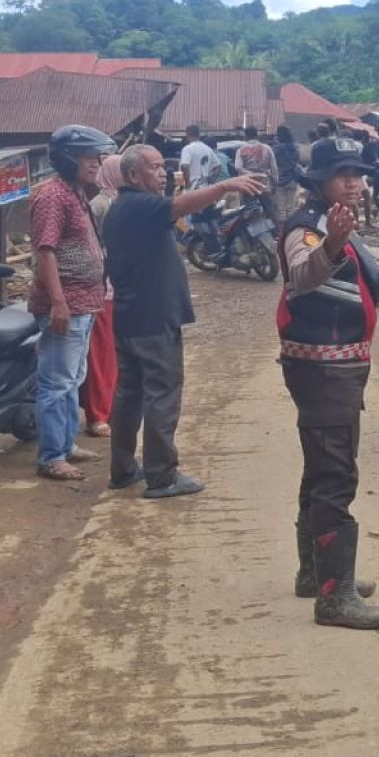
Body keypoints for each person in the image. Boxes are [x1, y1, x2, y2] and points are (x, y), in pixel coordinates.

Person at [277, 138, 379, 630]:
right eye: (343, 174)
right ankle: (335, 597)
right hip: (323, 370)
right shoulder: (308, 229)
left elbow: (354, 255)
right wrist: (333, 243)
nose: (354, 182)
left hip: (336, 367)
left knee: (320, 471)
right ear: (320, 180)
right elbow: (301, 275)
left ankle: (316, 574)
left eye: (358, 173)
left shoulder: (332, 223)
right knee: (335, 476)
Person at [102, 145, 268, 498]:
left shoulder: (123, 208)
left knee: (130, 394)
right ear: (132, 175)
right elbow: (179, 206)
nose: (163, 172)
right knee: (162, 393)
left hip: (132, 316)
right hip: (153, 316)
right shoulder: (140, 205)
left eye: (163, 166)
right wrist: (225, 186)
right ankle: (162, 476)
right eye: (154, 167)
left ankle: (124, 469)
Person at [30, 125, 115, 482]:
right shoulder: (53, 196)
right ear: (67, 159)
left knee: (73, 378)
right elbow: (45, 251)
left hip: (85, 302)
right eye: (86, 157)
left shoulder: (75, 192)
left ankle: (65, 444)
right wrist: (58, 303)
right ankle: (51, 456)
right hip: (67, 304)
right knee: (56, 382)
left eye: (96, 157)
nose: (95, 163)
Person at [81, 156, 128, 441]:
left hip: (124, 287)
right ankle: (97, 414)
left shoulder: (124, 201)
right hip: (104, 289)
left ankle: (111, 407)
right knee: (102, 354)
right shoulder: (99, 204)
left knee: (119, 353)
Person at [271, 125, 304, 221]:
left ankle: (282, 229)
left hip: (280, 179)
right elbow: (297, 161)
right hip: (292, 179)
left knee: (281, 209)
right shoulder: (295, 147)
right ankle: (291, 227)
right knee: (291, 207)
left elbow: (273, 162)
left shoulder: (276, 148)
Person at [179, 125, 225, 190]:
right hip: (205, 187)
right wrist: (211, 180)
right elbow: (218, 166)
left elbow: (184, 166)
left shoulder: (187, 149)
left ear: (187, 135)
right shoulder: (208, 149)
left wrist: (187, 184)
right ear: (199, 135)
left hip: (192, 187)